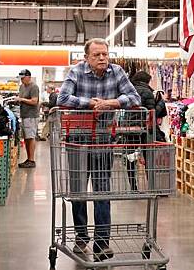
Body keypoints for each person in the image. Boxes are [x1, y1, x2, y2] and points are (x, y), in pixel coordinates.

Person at [57, 38, 140, 261]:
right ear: (86, 58)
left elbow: (134, 97)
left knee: (103, 191)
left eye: (105, 54)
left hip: (103, 139)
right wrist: (91, 104)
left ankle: (102, 243)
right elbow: (62, 97)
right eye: (97, 55)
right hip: (77, 139)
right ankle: (82, 236)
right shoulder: (76, 72)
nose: (102, 58)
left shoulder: (117, 72)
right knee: (79, 191)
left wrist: (111, 103)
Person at [15, 69, 40, 168]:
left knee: (31, 137)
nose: (21, 80)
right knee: (26, 138)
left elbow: (34, 101)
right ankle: (28, 159)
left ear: (28, 77)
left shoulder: (34, 87)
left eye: (23, 78)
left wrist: (22, 99)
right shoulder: (22, 87)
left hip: (31, 115)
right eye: (20, 78)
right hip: (24, 115)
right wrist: (17, 101)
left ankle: (32, 160)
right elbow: (22, 98)